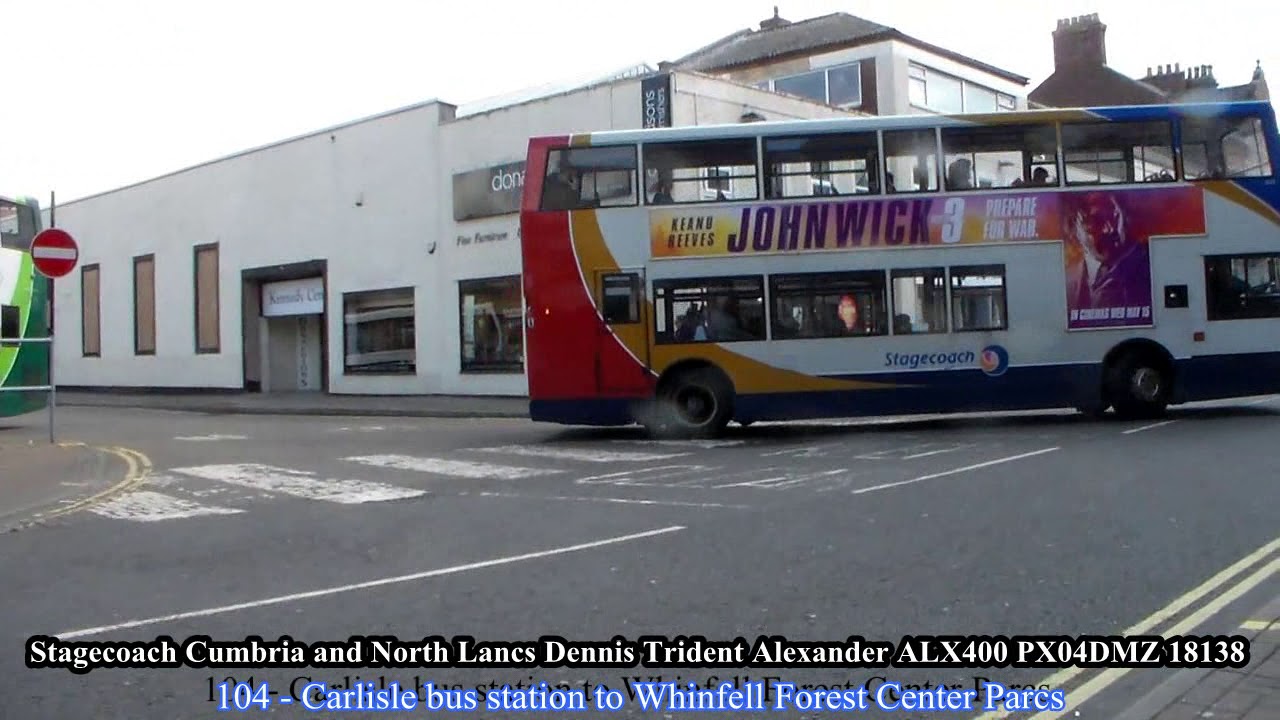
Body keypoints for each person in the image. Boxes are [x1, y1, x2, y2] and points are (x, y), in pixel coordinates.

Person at [1062, 191, 1151, 314]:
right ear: (1075, 228)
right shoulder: (1065, 281)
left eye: (1115, 217)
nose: (1110, 229)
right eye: (1097, 220)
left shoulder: (1150, 267)